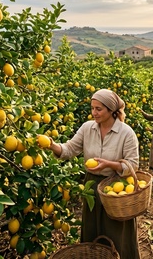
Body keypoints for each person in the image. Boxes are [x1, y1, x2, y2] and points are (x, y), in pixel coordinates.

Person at [48, 89, 140, 259]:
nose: (94, 113)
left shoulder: (126, 133)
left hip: (116, 189)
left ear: (111, 110)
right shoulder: (87, 128)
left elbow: (133, 165)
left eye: (99, 109)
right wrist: (52, 145)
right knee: (92, 230)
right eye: (92, 108)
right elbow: (70, 149)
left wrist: (109, 165)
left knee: (117, 233)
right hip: (91, 186)